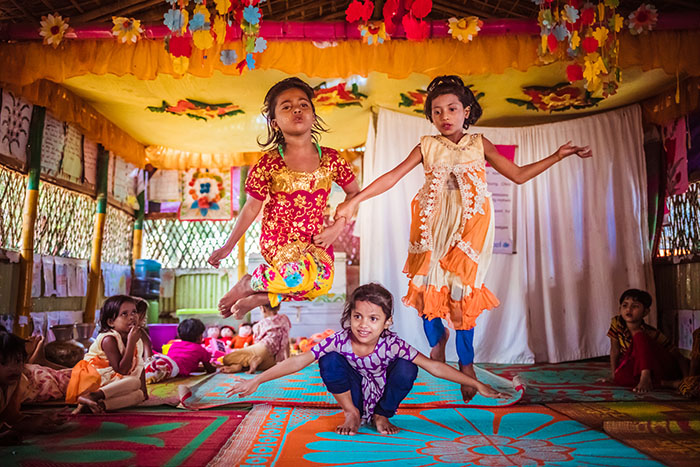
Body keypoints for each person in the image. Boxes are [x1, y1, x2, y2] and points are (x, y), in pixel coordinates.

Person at [334, 75, 592, 399]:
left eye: (452, 109)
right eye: (438, 111)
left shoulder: (479, 144)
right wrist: (355, 200)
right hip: (433, 226)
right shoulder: (426, 146)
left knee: (463, 292)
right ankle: (436, 341)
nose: (445, 117)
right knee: (428, 290)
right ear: (431, 116)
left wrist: (559, 155)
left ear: (466, 111)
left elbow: (519, 175)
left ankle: (466, 364)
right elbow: (391, 177)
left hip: (472, 226)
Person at [226, 283, 505, 435]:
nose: (363, 325)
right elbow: (299, 360)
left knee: (408, 367)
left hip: (383, 395)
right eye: (357, 316)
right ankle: (352, 413)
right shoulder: (340, 339)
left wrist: (475, 383)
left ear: (387, 322)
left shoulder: (393, 344)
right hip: (354, 394)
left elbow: (433, 365)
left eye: (373, 319)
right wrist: (258, 382)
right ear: (349, 316)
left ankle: (383, 414)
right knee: (328, 360)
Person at [208, 77, 360, 319]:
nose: (297, 109)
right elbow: (251, 208)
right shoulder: (269, 163)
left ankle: (260, 294)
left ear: (312, 115)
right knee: (296, 278)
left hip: (315, 241)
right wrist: (228, 246)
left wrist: (336, 228)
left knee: (322, 284)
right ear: (275, 122)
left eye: (303, 105)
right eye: (286, 107)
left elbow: (354, 193)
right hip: (280, 241)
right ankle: (249, 283)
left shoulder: (332, 159)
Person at [66, 295, 148, 413]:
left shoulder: (134, 338)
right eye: (124, 314)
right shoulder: (108, 339)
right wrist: (130, 343)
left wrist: (144, 392)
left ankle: (98, 405)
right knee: (134, 382)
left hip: (112, 381)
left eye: (134, 312)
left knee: (139, 395)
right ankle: (91, 396)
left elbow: (139, 364)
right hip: (94, 380)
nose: (132, 317)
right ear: (110, 322)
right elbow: (122, 370)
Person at [606, 288, 687, 393]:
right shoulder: (617, 324)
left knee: (639, 335)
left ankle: (646, 377)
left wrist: (687, 379)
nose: (628, 309)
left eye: (635, 306)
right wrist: (613, 374)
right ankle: (666, 383)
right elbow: (615, 350)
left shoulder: (652, 333)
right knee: (619, 378)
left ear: (645, 312)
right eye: (625, 305)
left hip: (660, 368)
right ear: (619, 309)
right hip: (642, 370)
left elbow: (680, 358)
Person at [1, 326, 67, 445]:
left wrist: (40, 419)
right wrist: (26, 426)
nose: (13, 368)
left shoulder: (15, 381)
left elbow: (10, 416)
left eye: (18, 361)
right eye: (3, 363)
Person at [221, 303, 291, 374]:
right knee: (252, 363)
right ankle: (237, 366)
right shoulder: (284, 319)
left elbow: (257, 342)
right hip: (273, 360)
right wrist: (287, 361)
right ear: (278, 307)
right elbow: (286, 341)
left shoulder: (260, 324)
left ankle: (250, 360)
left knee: (227, 358)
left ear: (262, 309)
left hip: (263, 348)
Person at [144, 318, 216, 384]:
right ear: (199, 337)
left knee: (155, 363)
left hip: (167, 360)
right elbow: (209, 369)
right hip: (173, 367)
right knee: (159, 371)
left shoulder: (174, 344)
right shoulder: (200, 349)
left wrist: (200, 369)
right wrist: (214, 367)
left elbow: (186, 363)